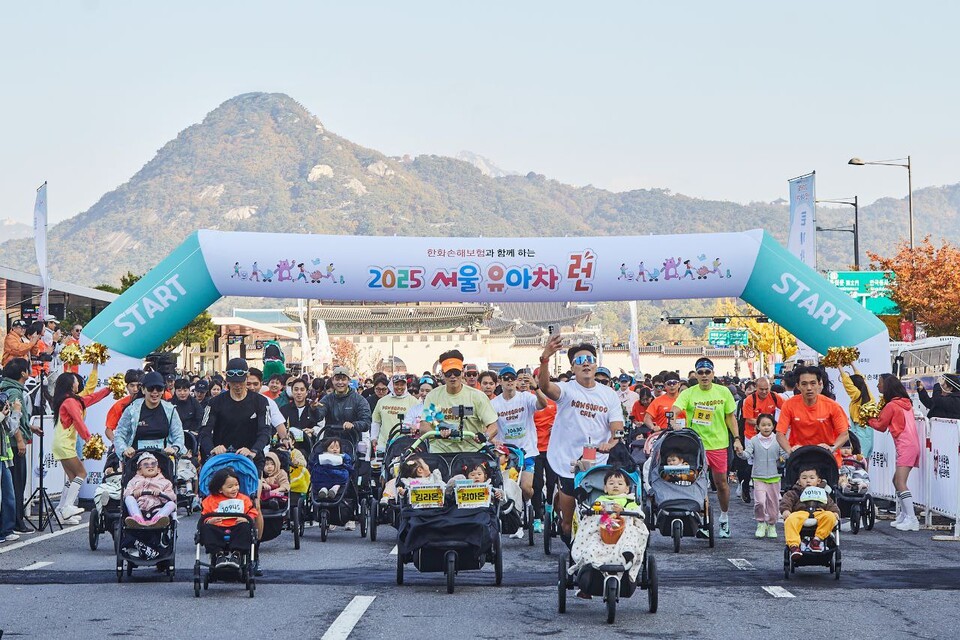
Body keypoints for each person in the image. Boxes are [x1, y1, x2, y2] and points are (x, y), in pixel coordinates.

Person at [538, 337, 623, 543]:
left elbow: (617, 429)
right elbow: (545, 387)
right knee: (567, 524)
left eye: (590, 359)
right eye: (579, 360)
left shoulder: (609, 395)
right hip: (568, 462)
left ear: (596, 365)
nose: (585, 363)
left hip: (597, 463)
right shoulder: (567, 389)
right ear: (572, 367)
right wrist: (545, 358)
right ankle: (568, 538)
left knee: (600, 515)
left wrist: (611, 443)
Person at [672, 357, 741, 538]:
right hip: (697, 446)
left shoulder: (723, 392)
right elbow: (675, 409)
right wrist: (673, 420)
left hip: (719, 445)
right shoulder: (689, 393)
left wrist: (737, 438)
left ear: (713, 374)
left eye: (707, 372)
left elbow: (730, 417)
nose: (704, 376)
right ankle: (704, 520)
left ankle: (724, 518)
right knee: (699, 484)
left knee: (721, 484)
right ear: (695, 375)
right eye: (700, 372)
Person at [570, 468, 648, 597]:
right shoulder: (601, 499)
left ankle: (628, 551)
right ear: (605, 488)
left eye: (620, 483)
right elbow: (591, 515)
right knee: (592, 542)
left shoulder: (629, 501)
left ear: (627, 489)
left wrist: (623, 510)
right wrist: (597, 509)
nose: (615, 486)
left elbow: (638, 515)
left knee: (632, 532)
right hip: (602, 532)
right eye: (611, 483)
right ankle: (590, 559)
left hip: (623, 531)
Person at [51, 368, 109, 524]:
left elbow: (92, 398)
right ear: (71, 384)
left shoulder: (72, 400)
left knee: (72, 477)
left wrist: (108, 390)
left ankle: (61, 511)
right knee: (81, 473)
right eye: (76, 381)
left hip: (62, 443)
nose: (78, 383)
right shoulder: (70, 401)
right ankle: (67, 507)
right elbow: (78, 420)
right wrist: (88, 439)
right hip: (65, 444)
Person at [868, 374, 922, 531]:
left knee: (900, 482)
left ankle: (912, 518)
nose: (878, 386)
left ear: (887, 386)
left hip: (905, 446)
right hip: (910, 445)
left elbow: (881, 426)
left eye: (880, 383)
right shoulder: (905, 402)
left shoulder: (892, 405)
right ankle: (905, 515)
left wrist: (867, 420)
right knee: (896, 481)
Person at [420, 350, 497, 454]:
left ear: (462, 373)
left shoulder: (477, 396)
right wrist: (438, 433)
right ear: (442, 374)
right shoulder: (433, 396)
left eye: (456, 372)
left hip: (470, 452)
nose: (453, 376)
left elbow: (493, 426)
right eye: (448, 373)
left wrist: (484, 436)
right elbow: (424, 426)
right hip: (440, 452)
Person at [490, 366, 546, 502]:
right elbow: (490, 426)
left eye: (512, 378)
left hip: (526, 451)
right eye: (506, 378)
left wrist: (536, 387)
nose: (510, 381)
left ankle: (527, 504)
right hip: (505, 454)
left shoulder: (526, 397)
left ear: (516, 380)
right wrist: (492, 440)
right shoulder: (493, 404)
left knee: (526, 487)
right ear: (500, 381)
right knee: (505, 487)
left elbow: (543, 404)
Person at [775, 366, 849, 460]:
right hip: (800, 458)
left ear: (819, 384)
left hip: (827, 459)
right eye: (804, 384)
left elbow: (844, 434)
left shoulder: (832, 406)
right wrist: (790, 451)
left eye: (813, 383)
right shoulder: (789, 405)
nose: (809, 388)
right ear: (798, 386)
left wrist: (832, 448)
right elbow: (780, 434)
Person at [1, 358, 40, 534]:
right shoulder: (14, 392)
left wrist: (29, 427)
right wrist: (19, 440)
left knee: (15, 484)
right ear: (23, 373)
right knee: (17, 484)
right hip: (14, 446)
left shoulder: (10, 388)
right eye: (28, 368)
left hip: (12, 443)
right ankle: (16, 522)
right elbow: (10, 419)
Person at [114, 371, 185, 459]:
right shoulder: (131, 410)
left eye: (159, 388)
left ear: (163, 390)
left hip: (164, 459)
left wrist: (174, 448)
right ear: (143, 390)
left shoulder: (170, 410)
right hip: (135, 458)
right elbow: (119, 435)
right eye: (151, 388)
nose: (155, 392)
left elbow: (179, 435)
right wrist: (124, 450)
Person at [200, 467, 259, 570]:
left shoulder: (244, 499)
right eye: (230, 487)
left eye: (236, 485)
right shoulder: (210, 500)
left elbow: (252, 511)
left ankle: (237, 554)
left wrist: (247, 518)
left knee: (245, 526)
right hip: (218, 527)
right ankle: (219, 555)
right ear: (220, 489)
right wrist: (209, 521)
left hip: (237, 526)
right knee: (207, 528)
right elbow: (204, 515)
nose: (235, 488)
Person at [737, 413, 786, 539]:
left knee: (773, 504)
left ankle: (772, 525)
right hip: (758, 477)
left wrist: (787, 456)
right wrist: (740, 453)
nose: (766, 427)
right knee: (760, 502)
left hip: (774, 477)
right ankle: (761, 523)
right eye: (763, 425)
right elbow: (747, 455)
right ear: (758, 427)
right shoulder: (754, 440)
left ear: (773, 426)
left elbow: (784, 454)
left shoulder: (778, 440)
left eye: (769, 425)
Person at [780, 465, 840, 561]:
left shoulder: (823, 492)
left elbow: (831, 504)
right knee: (790, 519)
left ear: (818, 481)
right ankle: (794, 546)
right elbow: (786, 501)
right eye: (804, 478)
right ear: (798, 481)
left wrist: (835, 512)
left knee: (830, 516)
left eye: (812, 478)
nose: (808, 481)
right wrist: (786, 510)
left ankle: (817, 540)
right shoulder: (795, 492)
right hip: (801, 513)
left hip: (819, 512)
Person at [737, 376, 782, 501]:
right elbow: (748, 419)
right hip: (751, 435)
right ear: (756, 388)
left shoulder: (774, 397)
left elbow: (787, 409)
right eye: (761, 389)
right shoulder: (749, 400)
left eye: (766, 389)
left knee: (772, 460)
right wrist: (765, 423)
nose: (764, 392)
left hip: (769, 435)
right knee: (751, 463)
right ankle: (745, 486)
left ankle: (771, 488)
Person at [315, 366, 371, 448]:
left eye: (343, 379)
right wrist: (313, 409)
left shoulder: (359, 400)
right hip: (330, 445)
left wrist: (354, 425)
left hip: (352, 443)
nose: (340, 382)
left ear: (349, 381)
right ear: (332, 380)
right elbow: (318, 417)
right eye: (337, 379)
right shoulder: (327, 399)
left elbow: (366, 422)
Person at [531, 368, 557, 533]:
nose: (541, 379)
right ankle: (536, 517)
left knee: (552, 483)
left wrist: (557, 427)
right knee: (537, 484)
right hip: (535, 448)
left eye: (544, 377)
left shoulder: (556, 398)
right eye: (538, 377)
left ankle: (550, 509)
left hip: (552, 448)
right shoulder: (531, 399)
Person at [123, 451, 177, 528]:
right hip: (139, 508)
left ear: (158, 469)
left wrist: (161, 494)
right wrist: (133, 492)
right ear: (139, 471)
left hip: (157, 509)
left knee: (172, 504)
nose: (150, 466)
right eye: (146, 465)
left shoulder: (165, 482)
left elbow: (172, 496)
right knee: (128, 498)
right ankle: (138, 519)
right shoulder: (134, 481)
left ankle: (158, 520)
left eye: (153, 464)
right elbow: (126, 492)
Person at [836, 365, 876, 461]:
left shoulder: (857, 396)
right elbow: (862, 380)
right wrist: (852, 363)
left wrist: (839, 366)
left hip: (860, 432)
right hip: (869, 431)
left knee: (859, 460)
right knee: (864, 460)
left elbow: (847, 384)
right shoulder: (868, 395)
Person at [371, 374, 418, 453]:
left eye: (402, 384)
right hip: (383, 444)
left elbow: (418, 422)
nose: (399, 387)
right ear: (391, 385)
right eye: (396, 384)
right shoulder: (382, 401)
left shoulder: (414, 401)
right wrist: (374, 438)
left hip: (405, 445)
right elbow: (376, 422)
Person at [1, 391, 23, 542]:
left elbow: (11, 429)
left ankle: (6, 530)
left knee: (9, 497)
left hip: (4, 459)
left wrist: (14, 412)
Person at [247, 368, 288, 441]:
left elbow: (279, 424)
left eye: (255, 384)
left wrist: (285, 439)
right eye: (248, 384)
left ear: (261, 384)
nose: (252, 388)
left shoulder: (268, 402)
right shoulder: (233, 400)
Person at [105, 369, 143, 441]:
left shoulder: (152, 402)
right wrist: (117, 443)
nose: (135, 389)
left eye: (138, 386)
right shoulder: (119, 405)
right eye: (132, 386)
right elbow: (108, 430)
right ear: (127, 387)